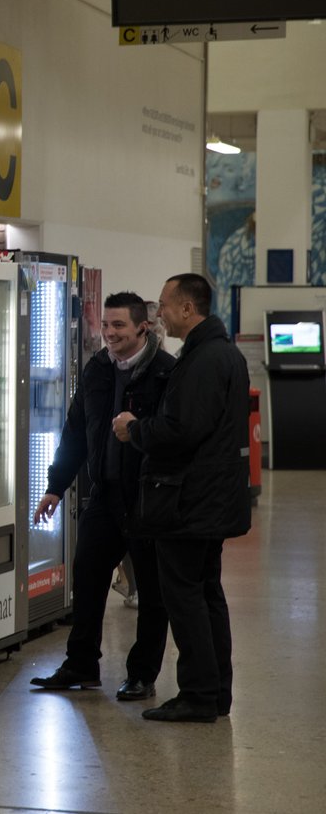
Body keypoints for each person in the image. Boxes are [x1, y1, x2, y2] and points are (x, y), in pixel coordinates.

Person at [113, 273, 251, 723]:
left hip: (188, 502)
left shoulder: (203, 359)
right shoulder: (220, 353)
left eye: (165, 306)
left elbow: (182, 430)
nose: (160, 314)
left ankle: (196, 693)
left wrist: (135, 429)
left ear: (188, 309)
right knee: (206, 593)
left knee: (186, 597)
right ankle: (214, 692)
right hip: (209, 499)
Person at [29, 292, 174, 701]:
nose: (109, 334)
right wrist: (56, 486)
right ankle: (81, 664)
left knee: (152, 590)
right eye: (105, 326)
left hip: (148, 500)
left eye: (119, 327)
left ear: (142, 328)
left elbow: (174, 437)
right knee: (88, 576)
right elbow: (75, 431)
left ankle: (142, 674)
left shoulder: (166, 373)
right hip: (104, 496)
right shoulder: (96, 370)